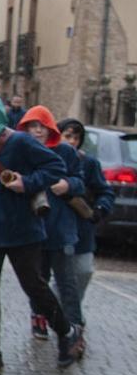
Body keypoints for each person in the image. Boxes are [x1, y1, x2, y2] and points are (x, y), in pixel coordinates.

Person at [0, 92, 79, 372]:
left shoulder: (19, 141)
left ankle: (66, 332)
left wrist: (27, 182)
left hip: (23, 230)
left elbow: (55, 167)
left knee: (35, 287)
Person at [20, 106, 86, 359]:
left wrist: (67, 184)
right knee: (37, 282)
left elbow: (80, 182)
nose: (37, 131)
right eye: (32, 126)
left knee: (67, 283)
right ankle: (39, 319)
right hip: (34, 230)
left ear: (50, 129)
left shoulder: (66, 152)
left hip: (61, 230)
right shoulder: (22, 150)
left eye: (41, 127)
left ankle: (74, 330)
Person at [57, 118, 114, 312]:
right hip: (55, 228)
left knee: (83, 270)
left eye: (76, 137)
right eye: (67, 136)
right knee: (57, 276)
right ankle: (56, 314)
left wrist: (99, 209)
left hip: (82, 228)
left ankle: (69, 310)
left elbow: (105, 192)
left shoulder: (89, 163)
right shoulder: (49, 160)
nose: (72, 141)